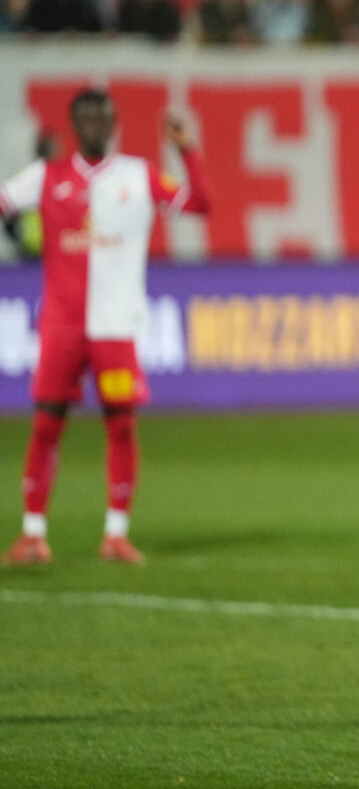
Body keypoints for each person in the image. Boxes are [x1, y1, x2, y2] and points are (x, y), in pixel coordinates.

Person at [0, 88, 211, 564]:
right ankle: (33, 534)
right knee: (45, 426)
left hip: (115, 328)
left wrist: (186, 148)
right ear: (75, 125)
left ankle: (115, 534)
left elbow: (201, 204)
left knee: (120, 427)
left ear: (115, 124)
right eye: (88, 117)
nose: (97, 124)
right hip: (62, 329)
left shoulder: (140, 176)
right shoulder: (46, 177)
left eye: (104, 116)